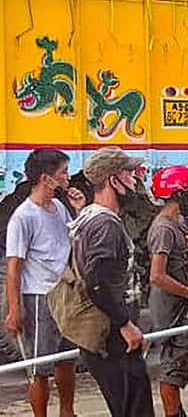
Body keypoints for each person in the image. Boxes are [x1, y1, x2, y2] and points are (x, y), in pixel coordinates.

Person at [72, 146, 154, 416]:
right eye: (129, 173)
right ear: (112, 180)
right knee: (135, 409)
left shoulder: (87, 216)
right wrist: (125, 324)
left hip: (108, 337)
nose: (135, 180)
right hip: (113, 339)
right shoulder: (106, 225)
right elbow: (95, 282)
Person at [5, 149, 85, 417]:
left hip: (65, 294)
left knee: (66, 359)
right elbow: (14, 266)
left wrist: (79, 210)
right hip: (38, 297)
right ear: (45, 178)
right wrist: (15, 310)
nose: (67, 177)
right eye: (62, 172)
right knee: (39, 367)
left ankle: (67, 412)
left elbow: (74, 241)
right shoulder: (24, 216)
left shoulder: (60, 208)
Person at [148, 166, 188, 417]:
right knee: (172, 365)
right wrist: (187, 293)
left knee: (181, 361)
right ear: (180, 194)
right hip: (171, 308)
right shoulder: (164, 229)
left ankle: (178, 411)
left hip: (181, 305)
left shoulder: (177, 223)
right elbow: (157, 275)